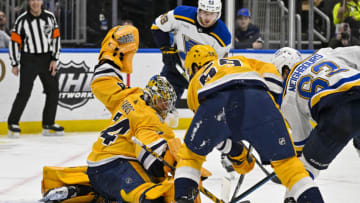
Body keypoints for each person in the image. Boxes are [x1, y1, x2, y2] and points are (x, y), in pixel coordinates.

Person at [173, 45, 325, 203]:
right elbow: (269, 69)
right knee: (288, 165)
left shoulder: (194, 83)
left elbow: (212, 134)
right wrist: (270, 103)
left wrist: (237, 153)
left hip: (216, 102)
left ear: (195, 66)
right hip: (259, 99)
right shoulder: (239, 60)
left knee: (191, 157)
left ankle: (183, 198)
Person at [272, 46, 360, 202]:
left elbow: (301, 142)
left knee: (302, 172)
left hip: (339, 115)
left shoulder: (288, 96)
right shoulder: (323, 53)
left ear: (284, 71)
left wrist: (290, 168)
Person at [151, 0, 231, 101]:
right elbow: (157, 26)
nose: (207, 18)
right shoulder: (181, 14)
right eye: (205, 13)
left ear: (218, 14)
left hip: (202, 78)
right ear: (199, 10)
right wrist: (166, 49)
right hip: (176, 68)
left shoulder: (223, 37)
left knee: (208, 110)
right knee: (160, 103)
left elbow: (219, 66)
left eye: (212, 14)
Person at [7, 0, 63, 138]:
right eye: (32, 0)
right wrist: (14, 63)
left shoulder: (50, 17)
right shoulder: (22, 20)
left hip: (47, 60)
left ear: (42, 1)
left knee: (53, 91)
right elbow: (14, 42)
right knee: (24, 92)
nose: (35, 3)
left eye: (37, 0)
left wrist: (54, 59)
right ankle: (13, 123)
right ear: (29, 2)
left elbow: (56, 38)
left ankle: (48, 124)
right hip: (29, 60)